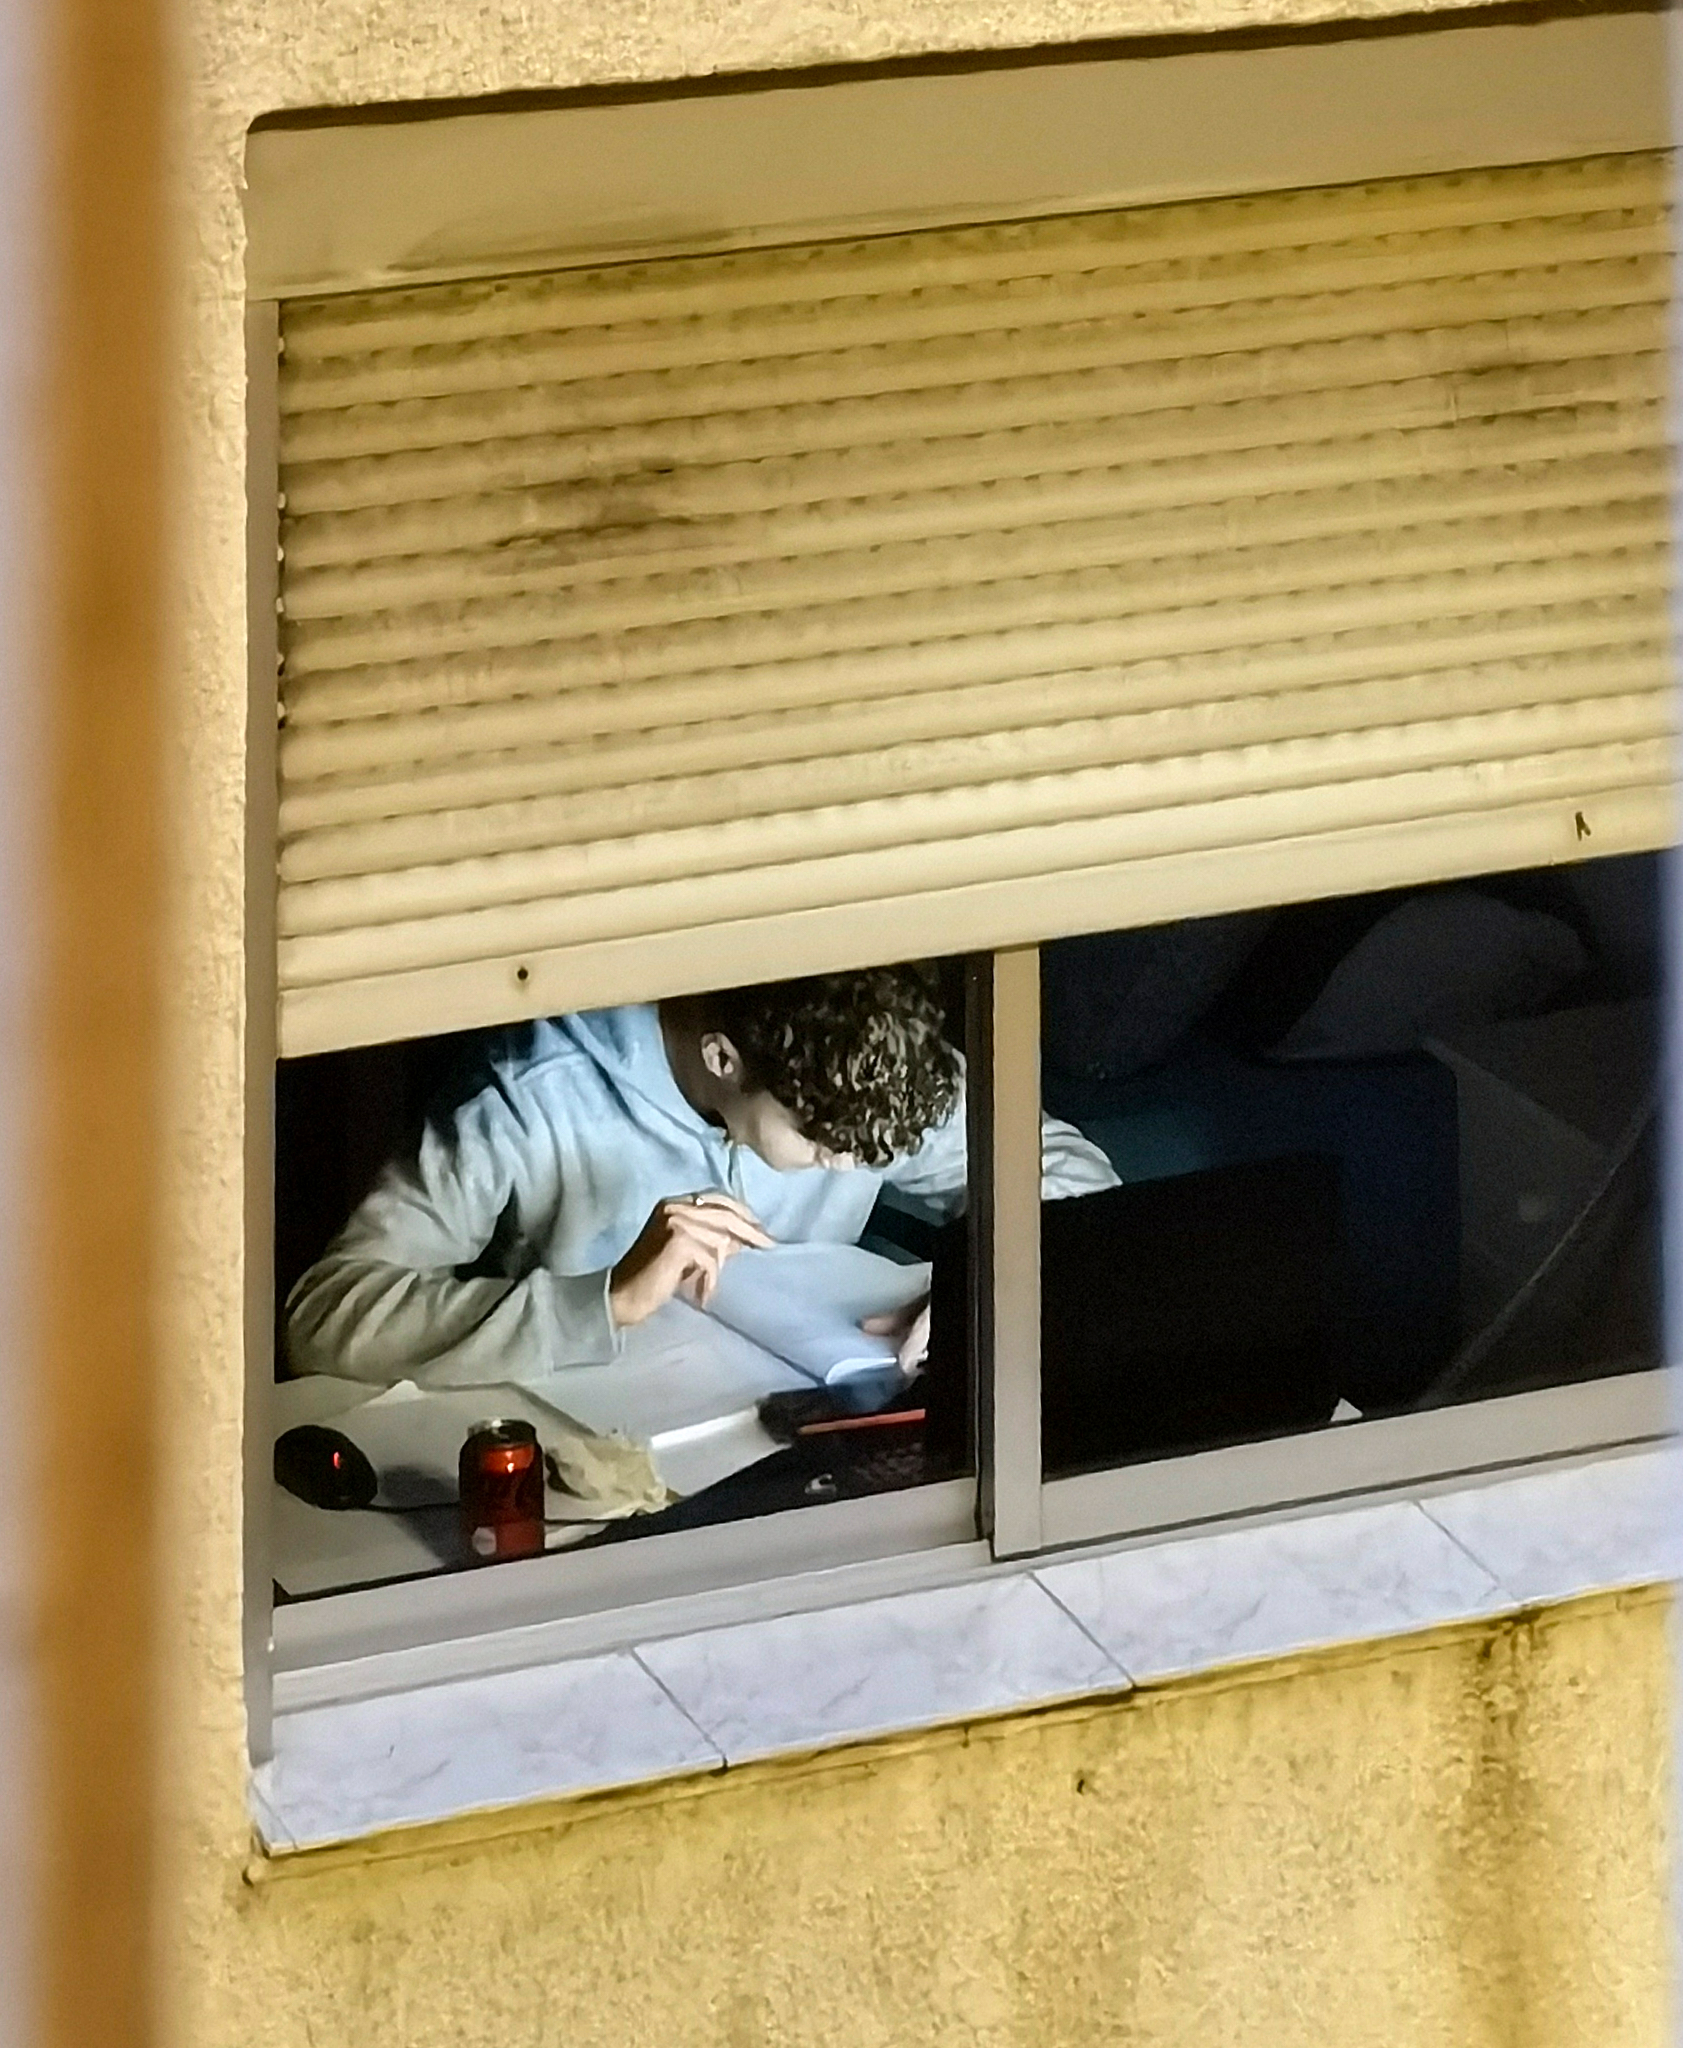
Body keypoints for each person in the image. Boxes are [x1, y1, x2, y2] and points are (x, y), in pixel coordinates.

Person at [285, 965, 1117, 1388]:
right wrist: (599, 1301)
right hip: (586, 1447)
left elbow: (1072, 1174)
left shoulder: (866, 1076)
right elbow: (322, 1313)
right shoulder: (534, 1099)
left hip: (796, 1431)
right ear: (723, 1059)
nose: (859, 1166)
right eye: (826, 1148)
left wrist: (993, 1274)